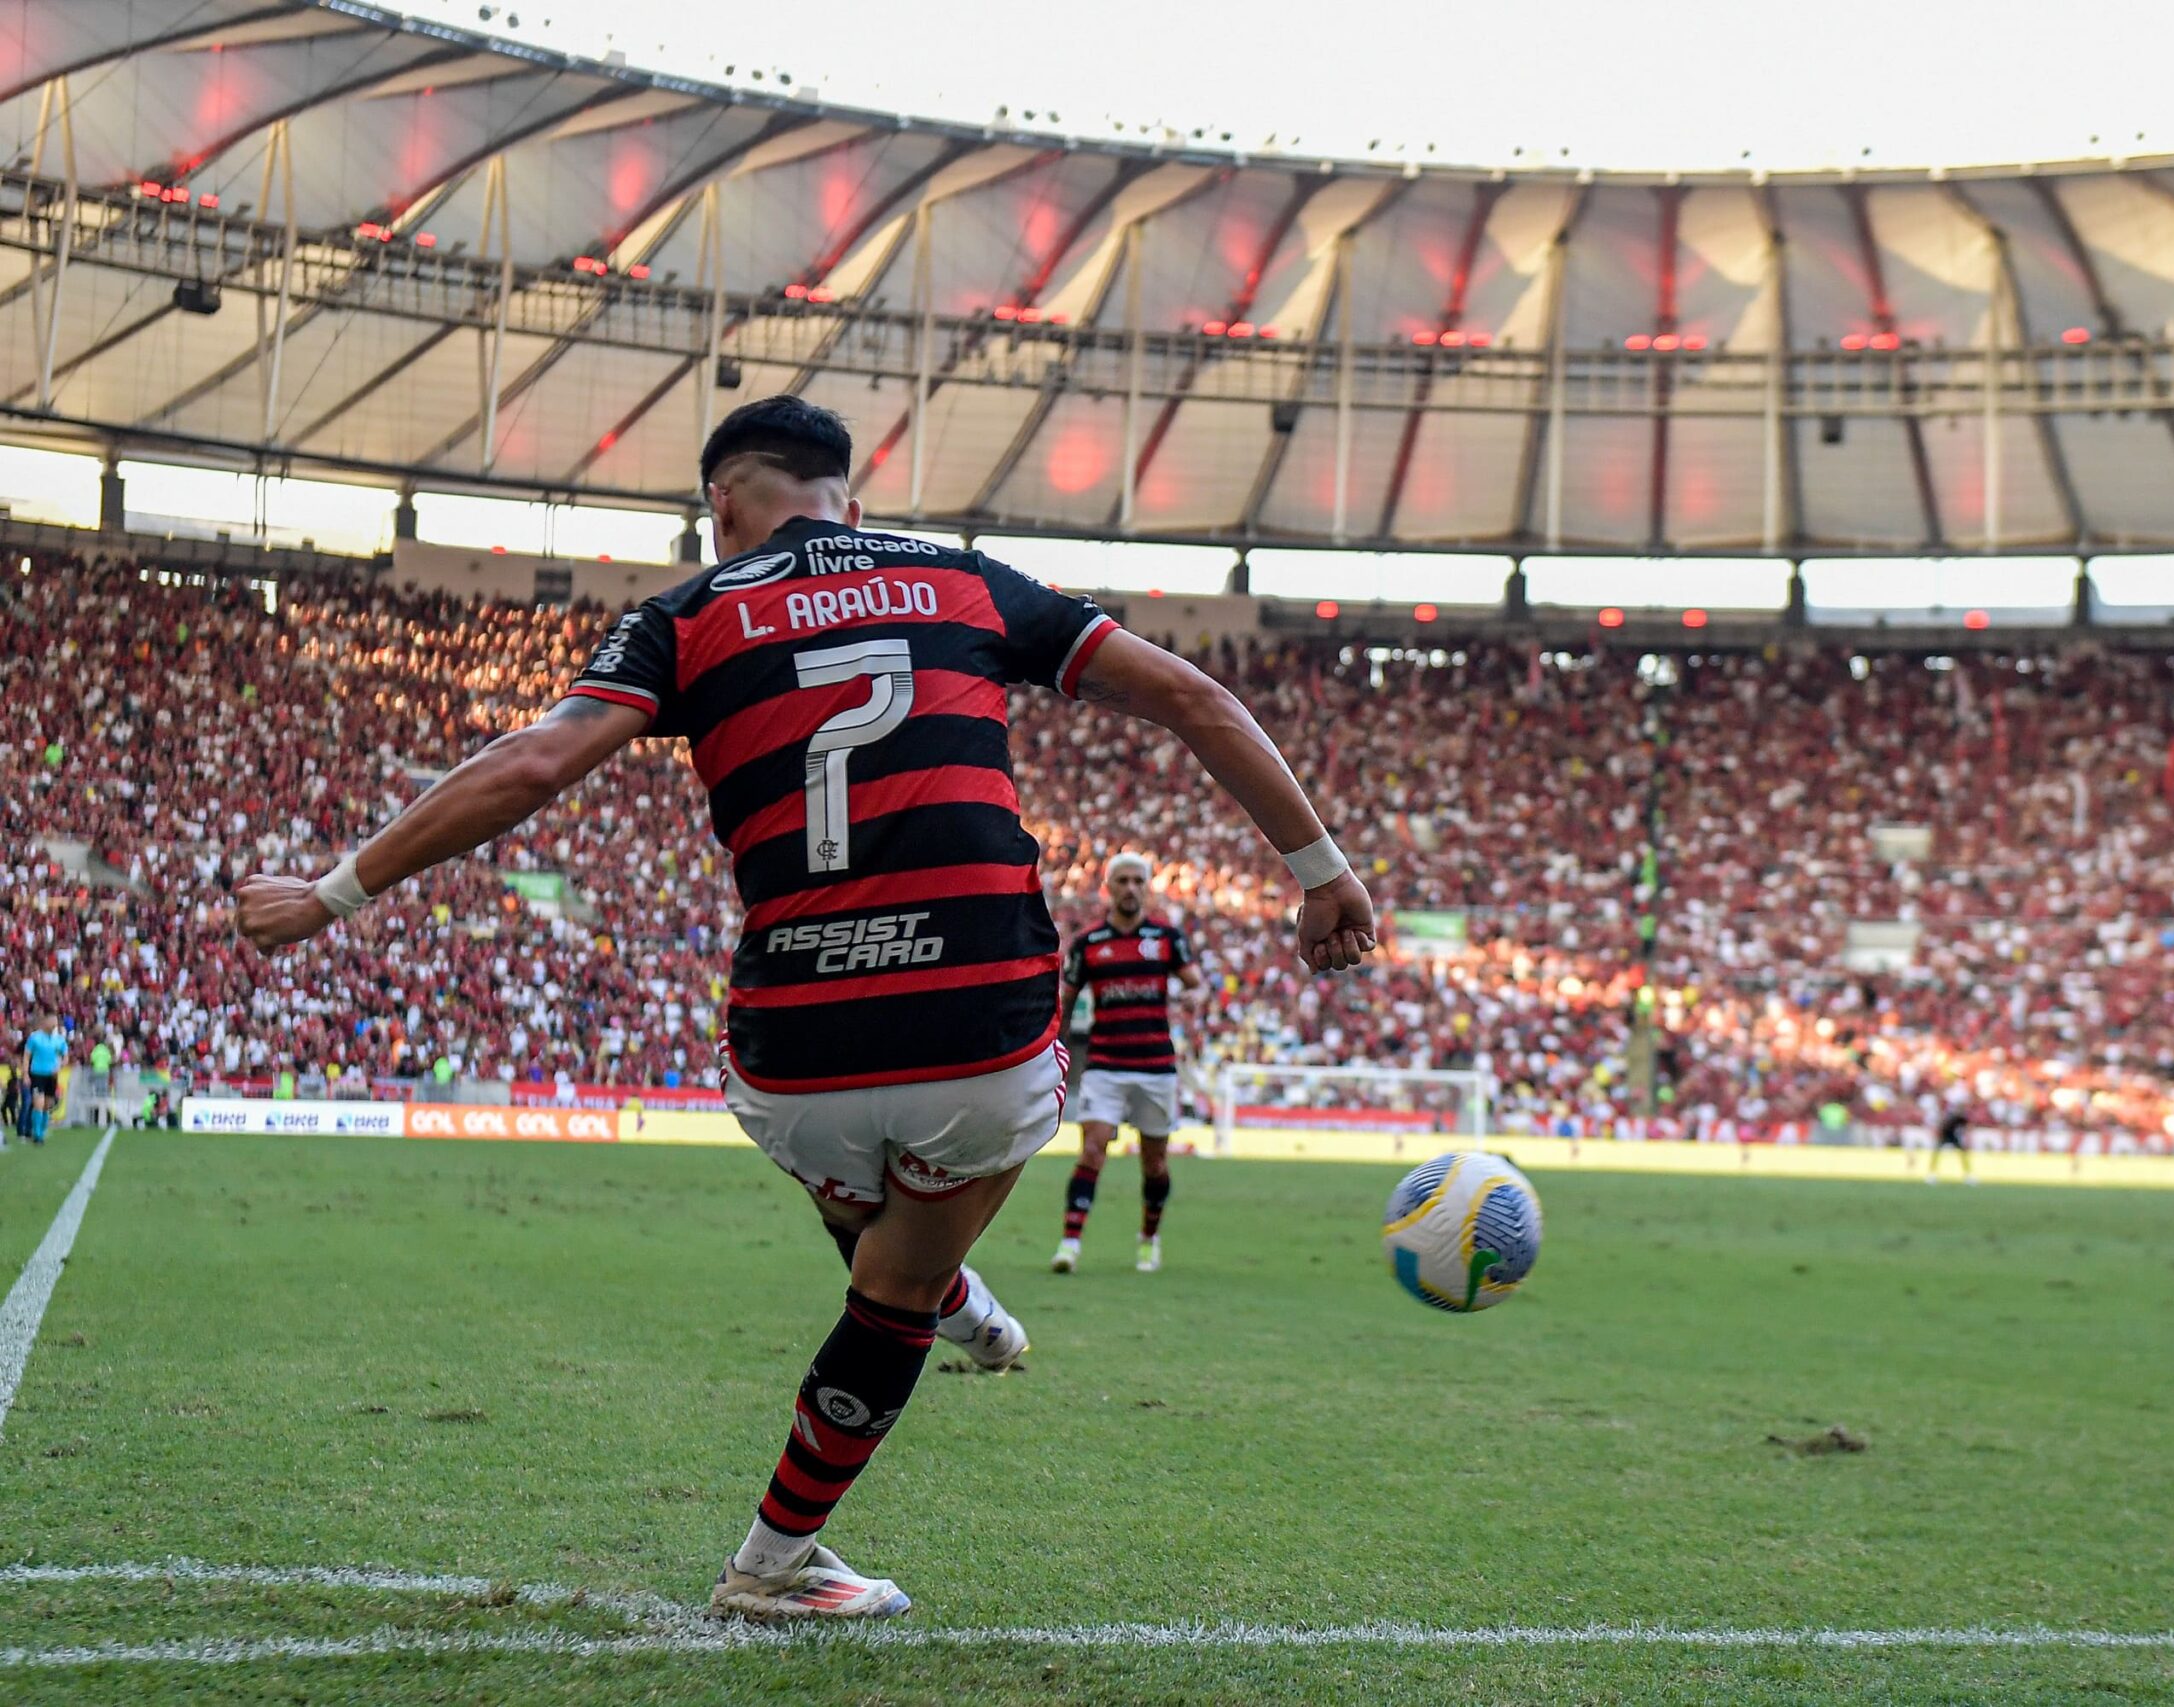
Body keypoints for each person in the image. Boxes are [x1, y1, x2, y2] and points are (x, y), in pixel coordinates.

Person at [233, 396, 1374, 1623]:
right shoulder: (965, 582)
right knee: (902, 1273)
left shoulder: (686, 616)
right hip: (979, 1026)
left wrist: (332, 893)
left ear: (721, 505)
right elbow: (1198, 699)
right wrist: (1321, 873)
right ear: (852, 503)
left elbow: (531, 765)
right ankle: (780, 1550)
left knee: (871, 1202)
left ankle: (945, 1303)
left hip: (793, 1051)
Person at [1053, 853, 1200, 1275]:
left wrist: (1194, 997)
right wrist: (1058, 1048)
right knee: (1092, 1150)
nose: (1131, 888)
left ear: (1146, 887)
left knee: (1154, 1163)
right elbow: (1066, 999)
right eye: (1123, 881)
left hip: (1156, 1065)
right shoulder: (1089, 943)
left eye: (1138, 880)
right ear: (1109, 888)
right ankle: (1069, 1244)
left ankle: (1149, 1238)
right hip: (1105, 1063)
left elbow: (1195, 984)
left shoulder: (1167, 937)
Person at [23, 1015, 69, 1146]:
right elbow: (26, 1056)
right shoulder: (34, 1037)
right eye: (52, 1021)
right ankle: (37, 1135)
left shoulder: (59, 1039)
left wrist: (60, 1066)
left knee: (47, 1105)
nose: (54, 1024)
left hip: (52, 1077)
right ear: (45, 1022)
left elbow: (66, 1057)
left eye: (56, 1022)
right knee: (38, 1103)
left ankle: (42, 1131)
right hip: (37, 1075)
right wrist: (25, 1074)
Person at [1929, 1103, 1973, 1183]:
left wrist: (1967, 1138)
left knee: (1963, 1154)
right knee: (1936, 1153)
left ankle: (1968, 1174)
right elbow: (1941, 1127)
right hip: (1944, 1136)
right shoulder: (1950, 1117)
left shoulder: (1960, 1118)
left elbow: (1967, 1126)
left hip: (1953, 1137)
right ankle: (1932, 1173)